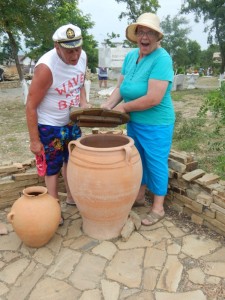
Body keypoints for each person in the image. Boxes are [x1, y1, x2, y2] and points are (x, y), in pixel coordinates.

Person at [101, 13, 175, 226]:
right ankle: (139, 198)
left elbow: (153, 98)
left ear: (157, 36)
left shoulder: (162, 58)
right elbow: (120, 88)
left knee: (156, 163)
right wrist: (107, 107)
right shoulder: (131, 56)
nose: (145, 36)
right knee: (138, 161)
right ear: (136, 36)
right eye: (141, 32)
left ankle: (158, 208)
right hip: (134, 122)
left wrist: (123, 108)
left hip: (157, 124)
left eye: (150, 32)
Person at [26, 24, 90, 225]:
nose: (75, 55)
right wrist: (35, 141)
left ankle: (72, 197)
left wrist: (84, 103)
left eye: (78, 49)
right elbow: (30, 106)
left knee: (73, 161)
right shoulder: (46, 68)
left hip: (72, 122)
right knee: (52, 167)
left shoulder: (83, 57)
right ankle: (54, 208)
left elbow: (80, 84)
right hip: (49, 125)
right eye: (69, 51)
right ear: (57, 47)